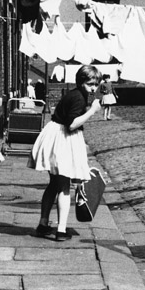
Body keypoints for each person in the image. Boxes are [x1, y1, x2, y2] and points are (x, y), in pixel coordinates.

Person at [28, 64, 102, 241]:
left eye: (95, 85)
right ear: (80, 82)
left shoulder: (76, 94)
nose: (93, 88)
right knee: (63, 185)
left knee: (54, 184)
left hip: (56, 137)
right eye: (90, 84)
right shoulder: (78, 98)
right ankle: (61, 230)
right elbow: (72, 124)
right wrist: (92, 111)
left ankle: (43, 224)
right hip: (62, 139)